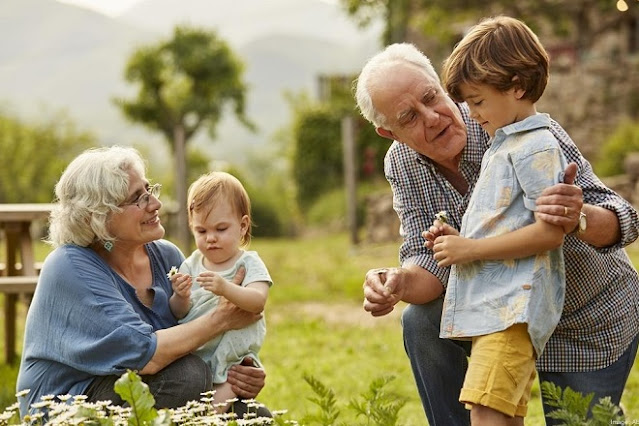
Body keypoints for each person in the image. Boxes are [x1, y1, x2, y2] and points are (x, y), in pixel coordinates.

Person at [354, 38, 639, 425]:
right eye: (409, 117)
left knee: (578, 421)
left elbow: (623, 218)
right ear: (388, 132)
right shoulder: (403, 163)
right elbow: (430, 261)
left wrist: (577, 216)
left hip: (583, 313)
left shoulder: (515, 122)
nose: (434, 117)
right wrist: (398, 282)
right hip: (498, 313)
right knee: (420, 321)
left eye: (431, 97)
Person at [16, 146, 270, 419]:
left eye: (150, 190)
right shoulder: (69, 266)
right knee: (189, 376)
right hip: (69, 404)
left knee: (255, 417)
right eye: (138, 198)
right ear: (100, 216)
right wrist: (223, 318)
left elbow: (193, 331)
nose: (155, 204)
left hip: (144, 386)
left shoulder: (166, 256)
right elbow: (146, 355)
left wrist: (240, 369)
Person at [421, 16, 568, 425]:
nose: (471, 112)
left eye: (478, 101)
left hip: (513, 310)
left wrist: (471, 249)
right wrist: (457, 239)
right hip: (496, 309)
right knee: (497, 414)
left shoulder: (536, 145)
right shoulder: (503, 142)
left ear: (517, 86)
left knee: (486, 414)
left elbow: (550, 232)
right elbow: (507, 222)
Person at [169, 171, 272, 414]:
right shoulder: (191, 264)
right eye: (201, 231)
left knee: (212, 409)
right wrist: (180, 296)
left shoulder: (248, 263)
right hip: (199, 350)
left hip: (233, 356)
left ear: (243, 225)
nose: (211, 239)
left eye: (221, 229)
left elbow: (257, 302)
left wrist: (226, 287)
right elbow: (177, 312)